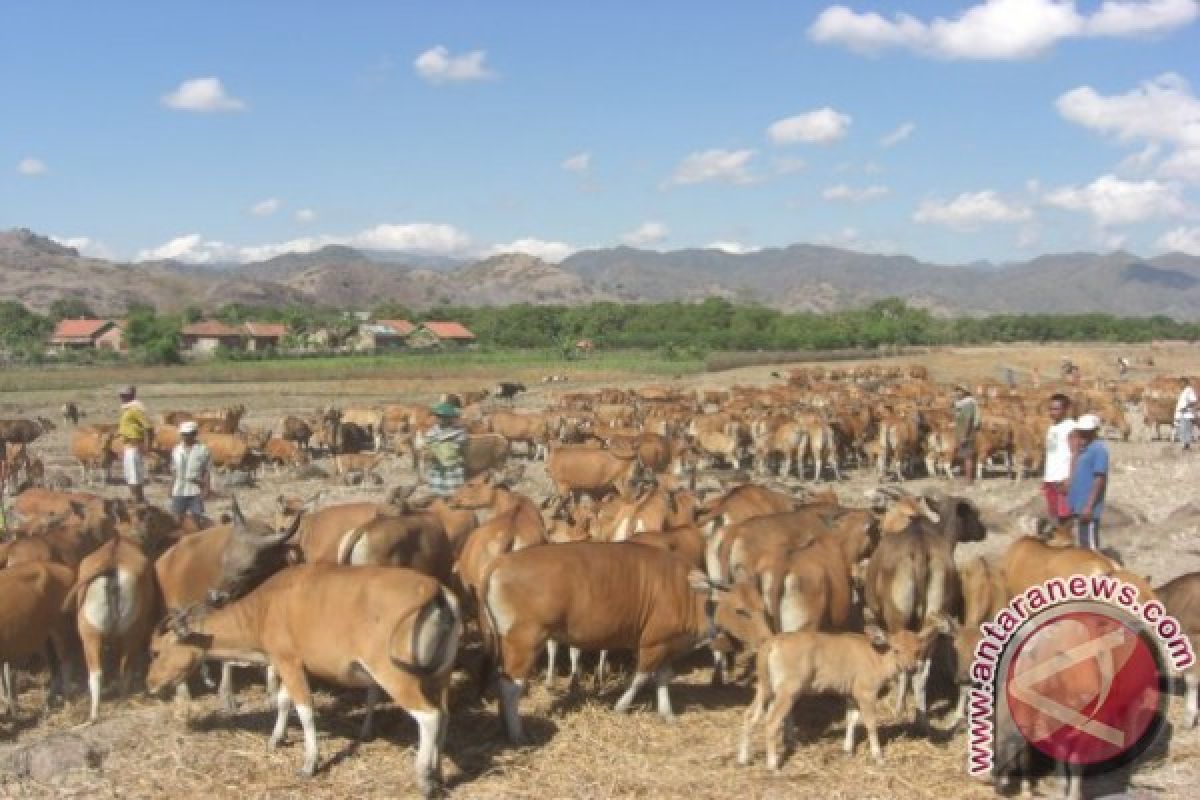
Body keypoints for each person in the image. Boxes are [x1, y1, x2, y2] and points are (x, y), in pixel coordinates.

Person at [1068, 414, 1108, 551]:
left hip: (1088, 508)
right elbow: (1074, 473)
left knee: (1091, 549)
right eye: (1081, 432)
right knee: (1083, 546)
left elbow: (1099, 478)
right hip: (1079, 506)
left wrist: (1089, 506)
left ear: (1094, 431)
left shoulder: (1098, 450)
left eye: (1087, 432)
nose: (1083, 435)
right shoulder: (1083, 449)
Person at [170, 420, 211, 524]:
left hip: (195, 489)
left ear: (195, 434)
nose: (186, 437)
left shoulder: (203, 450)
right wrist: (171, 487)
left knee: (196, 520)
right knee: (177, 519)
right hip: (179, 489)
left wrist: (206, 489)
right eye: (183, 434)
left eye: (188, 434)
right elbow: (174, 471)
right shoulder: (176, 450)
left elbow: (206, 471)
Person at [422, 402, 466, 497]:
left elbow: (456, 448)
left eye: (444, 417)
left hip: (452, 466)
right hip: (437, 467)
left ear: (450, 418)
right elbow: (427, 446)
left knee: (454, 493)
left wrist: (441, 447)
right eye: (438, 416)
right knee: (437, 492)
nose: (440, 419)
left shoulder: (459, 432)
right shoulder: (431, 432)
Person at [1042, 393, 1075, 522]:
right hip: (1051, 478)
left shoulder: (1071, 427)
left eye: (1056, 409)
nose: (1052, 412)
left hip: (1063, 479)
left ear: (1065, 409)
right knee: (1053, 515)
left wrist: (1069, 478)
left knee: (1065, 517)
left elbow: (1076, 454)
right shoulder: (1052, 427)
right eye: (1050, 409)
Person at [117, 385, 152, 503]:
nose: (121, 397)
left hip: (134, 445)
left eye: (124, 395)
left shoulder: (135, 409)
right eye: (121, 395)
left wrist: (148, 446)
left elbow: (148, 427)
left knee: (134, 475)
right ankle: (136, 498)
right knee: (130, 475)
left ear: (131, 395)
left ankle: (137, 499)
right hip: (127, 445)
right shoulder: (127, 409)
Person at [953, 384, 981, 484]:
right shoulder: (960, 403)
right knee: (963, 455)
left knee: (967, 456)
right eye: (956, 390)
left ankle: (969, 479)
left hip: (967, 433)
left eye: (960, 391)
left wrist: (965, 435)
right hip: (961, 432)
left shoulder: (968, 403)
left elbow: (969, 419)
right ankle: (965, 476)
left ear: (965, 392)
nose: (957, 393)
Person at [1176, 376, 1196, 451]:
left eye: (1181, 383)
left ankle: (1187, 446)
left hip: (1187, 414)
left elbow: (1193, 401)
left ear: (1185, 383)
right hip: (1182, 414)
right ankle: (1185, 445)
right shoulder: (1184, 391)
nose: (1180, 384)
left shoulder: (1189, 390)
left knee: (1187, 429)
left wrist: (1185, 408)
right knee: (1183, 429)